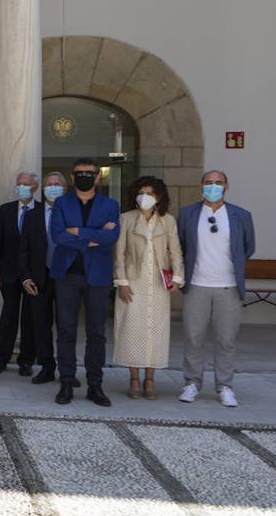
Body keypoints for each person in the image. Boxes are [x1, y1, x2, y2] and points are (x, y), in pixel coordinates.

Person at [177, 169, 255, 407]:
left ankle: (225, 386)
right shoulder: (188, 214)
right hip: (197, 285)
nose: (213, 186)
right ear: (201, 186)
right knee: (193, 338)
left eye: (218, 183)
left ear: (226, 186)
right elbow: (181, 245)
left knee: (226, 340)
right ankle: (192, 383)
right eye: (208, 182)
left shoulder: (240, 215)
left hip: (228, 287)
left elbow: (248, 247)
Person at [50, 157, 120, 407]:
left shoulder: (110, 205)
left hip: (98, 275)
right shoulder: (60, 203)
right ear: (72, 176)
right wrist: (93, 236)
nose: (84, 176)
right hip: (67, 275)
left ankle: (95, 385)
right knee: (66, 331)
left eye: (89, 173)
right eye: (79, 173)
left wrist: (77, 231)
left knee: (96, 333)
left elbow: (111, 236)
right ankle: (66, 382)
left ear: (97, 176)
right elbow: (57, 235)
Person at [113, 176, 184, 401]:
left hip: (158, 284)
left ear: (159, 197)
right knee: (131, 329)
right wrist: (121, 282)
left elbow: (175, 250)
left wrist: (178, 277)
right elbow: (119, 253)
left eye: (151, 193)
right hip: (133, 282)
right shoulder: (126, 219)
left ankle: (150, 380)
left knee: (156, 331)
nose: (146, 197)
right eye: (142, 192)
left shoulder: (168, 221)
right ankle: (134, 379)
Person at [19, 172, 70, 386]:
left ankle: (68, 371)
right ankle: (47, 367)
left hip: (68, 277)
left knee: (67, 326)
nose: (53, 187)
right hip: (40, 278)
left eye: (57, 184)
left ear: (65, 189)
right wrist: (26, 277)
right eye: (49, 185)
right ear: (42, 189)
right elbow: (23, 250)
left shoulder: (74, 213)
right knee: (41, 325)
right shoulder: (33, 215)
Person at [0, 171, 39, 377]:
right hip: (8, 272)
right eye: (19, 184)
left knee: (30, 317)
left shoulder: (41, 210)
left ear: (35, 188)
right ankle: (1, 358)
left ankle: (26, 360)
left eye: (26, 184)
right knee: (8, 315)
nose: (22, 187)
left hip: (33, 274)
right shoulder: (6, 210)